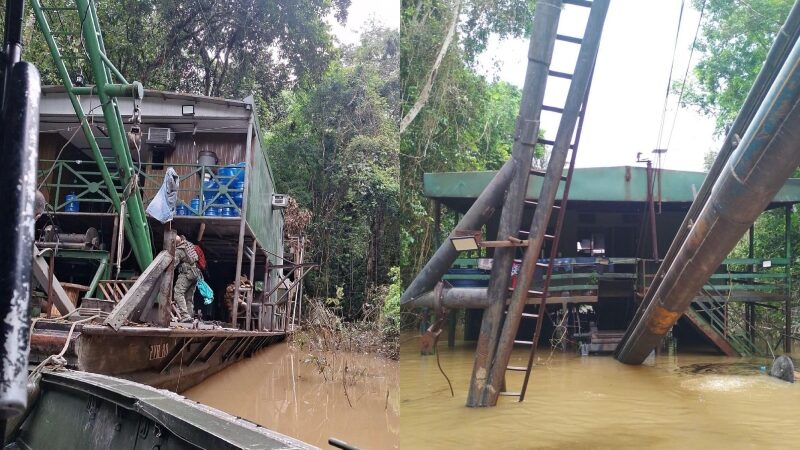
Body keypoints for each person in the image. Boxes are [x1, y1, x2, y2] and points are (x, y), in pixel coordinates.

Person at [173, 235, 200, 323]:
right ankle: (189, 316)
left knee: (178, 293)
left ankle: (184, 316)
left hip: (186, 274)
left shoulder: (179, 250)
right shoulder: (189, 245)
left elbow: (173, 264)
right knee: (189, 297)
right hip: (195, 274)